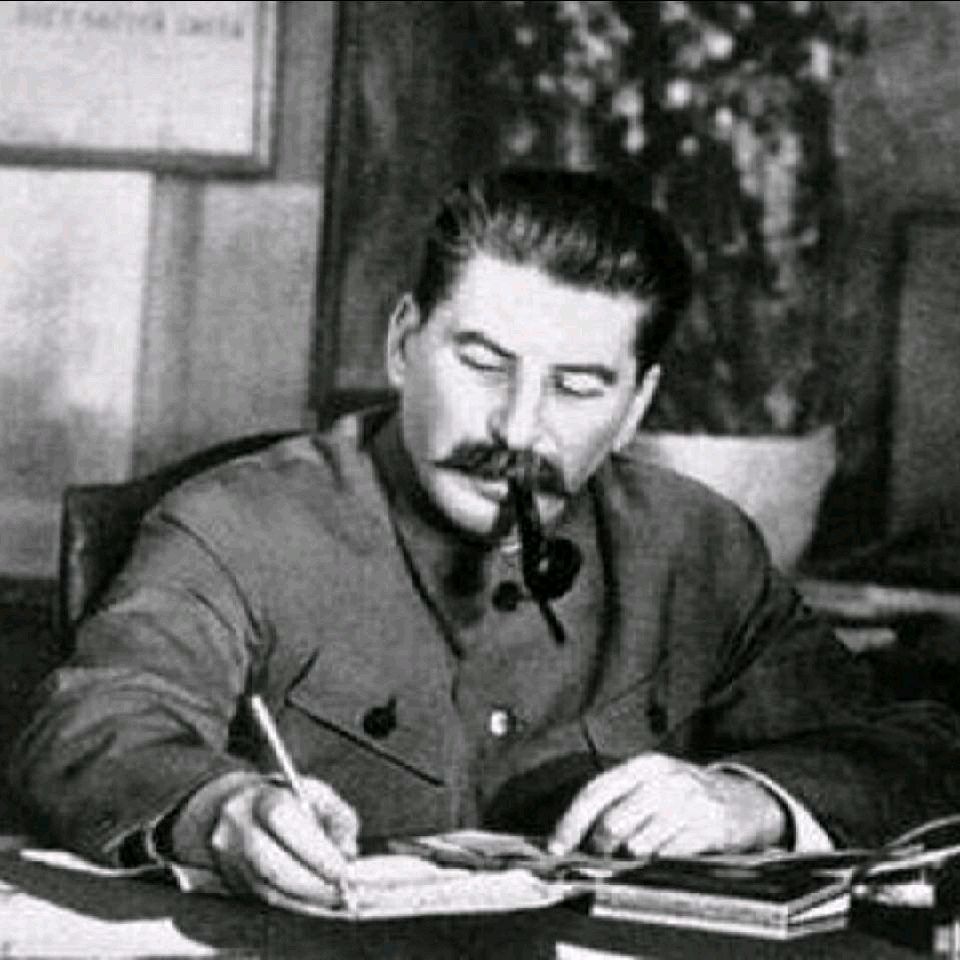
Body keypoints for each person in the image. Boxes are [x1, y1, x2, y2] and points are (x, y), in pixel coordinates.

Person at [9, 169, 960, 913]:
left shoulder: (695, 547)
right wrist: (221, 811)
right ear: (403, 344)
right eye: (482, 362)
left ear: (636, 407)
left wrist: (749, 803)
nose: (518, 427)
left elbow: (917, 750)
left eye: (578, 387)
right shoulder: (239, 522)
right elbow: (96, 724)